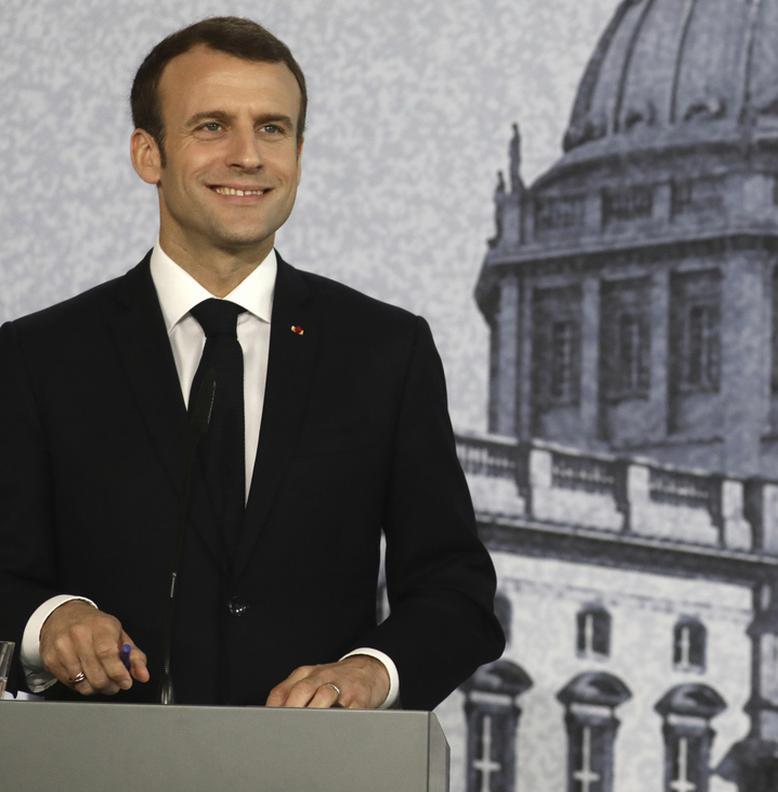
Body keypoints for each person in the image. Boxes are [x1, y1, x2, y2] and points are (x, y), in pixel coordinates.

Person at [0, 17, 503, 710]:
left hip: (316, 771)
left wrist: (369, 673)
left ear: (299, 151)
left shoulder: (387, 352)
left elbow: (456, 587)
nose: (248, 156)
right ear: (149, 155)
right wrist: (49, 622)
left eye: (272, 128)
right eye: (211, 126)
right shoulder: (38, 356)